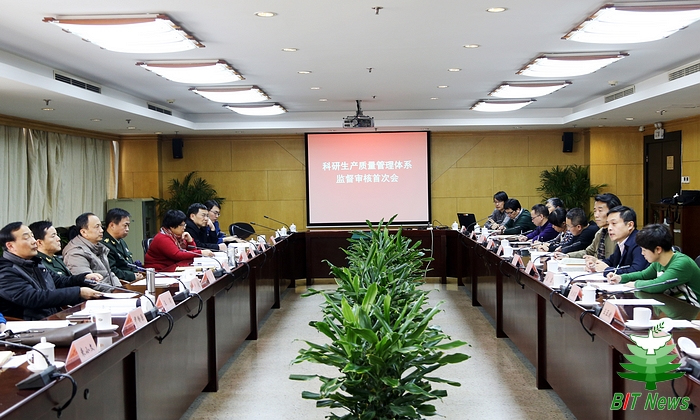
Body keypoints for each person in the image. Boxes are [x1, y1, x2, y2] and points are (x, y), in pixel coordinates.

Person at [0, 222, 103, 321]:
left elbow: (59, 281)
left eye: (32, 236)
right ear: (10, 246)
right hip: (29, 325)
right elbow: (33, 298)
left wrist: (84, 278)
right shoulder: (5, 272)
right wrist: (78, 293)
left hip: (52, 318)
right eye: (27, 238)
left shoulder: (34, 263)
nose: (34, 241)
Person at [608, 224, 700, 306]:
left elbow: (657, 285)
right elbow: (643, 275)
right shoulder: (658, 261)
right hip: (673, 306)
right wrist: (621, 278)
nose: (642, 253)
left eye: (644, 250)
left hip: (693, 309)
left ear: (658, 249)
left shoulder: (681, 264)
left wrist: (635, 284)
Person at [62, 212, 121, 291]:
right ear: (84, 232)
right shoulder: (75, 253)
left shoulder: (98, 247)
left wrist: (120, 289)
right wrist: (115, 292)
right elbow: (90, 283)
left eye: (101, 226)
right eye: (97, 227)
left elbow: (110, 274)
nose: (101, 230)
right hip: (98, 296)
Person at [587, 206, 649, 275]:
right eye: (608, 224)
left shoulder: (639, 242)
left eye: (614, 223)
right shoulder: (621, 241)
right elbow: (611, 261)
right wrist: (595, 265)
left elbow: (637, 271)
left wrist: (607, 270)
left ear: (630, 225)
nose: (609, 228)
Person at [145, 210, 214, 272]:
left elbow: (191, 253)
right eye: (182, 225)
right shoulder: (162, 238)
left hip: (174, 268)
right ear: (172, 226)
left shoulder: (177, 236)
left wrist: (190, 241)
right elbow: (177, 255)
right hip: (160, 272)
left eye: (184, 224)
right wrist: (201, 252)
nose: (184, 227)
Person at [561, 193, 621, 260]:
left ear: (613, 212)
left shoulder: (619, 234)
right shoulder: (600, 232)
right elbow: (589, 252)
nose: (596, 215)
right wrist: (568, 256)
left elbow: (616, 262)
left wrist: (597, 261)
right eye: (595, 211)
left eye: (600, 211)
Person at [102, 208, 145, 282]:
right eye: (125, 225)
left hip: (132, 279)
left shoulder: (121, 241)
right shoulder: (104, 244)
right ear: (112, 225)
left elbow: (129, 263)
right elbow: (112, 271)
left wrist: (137, 273)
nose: (127, 229)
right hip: (120, 282)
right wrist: (132, 276)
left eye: (128, 226)